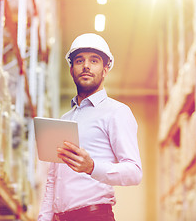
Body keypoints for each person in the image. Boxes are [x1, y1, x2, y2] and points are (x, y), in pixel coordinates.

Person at [38, 33, 142, 221]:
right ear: (71, 70)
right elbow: (53, 179)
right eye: (79, 60)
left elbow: (134, 173)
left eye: (94, 61)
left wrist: (92, 167)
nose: (86, 66)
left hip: (94, 216)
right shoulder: (64, 119)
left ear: (105, 69)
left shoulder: (117, 112)